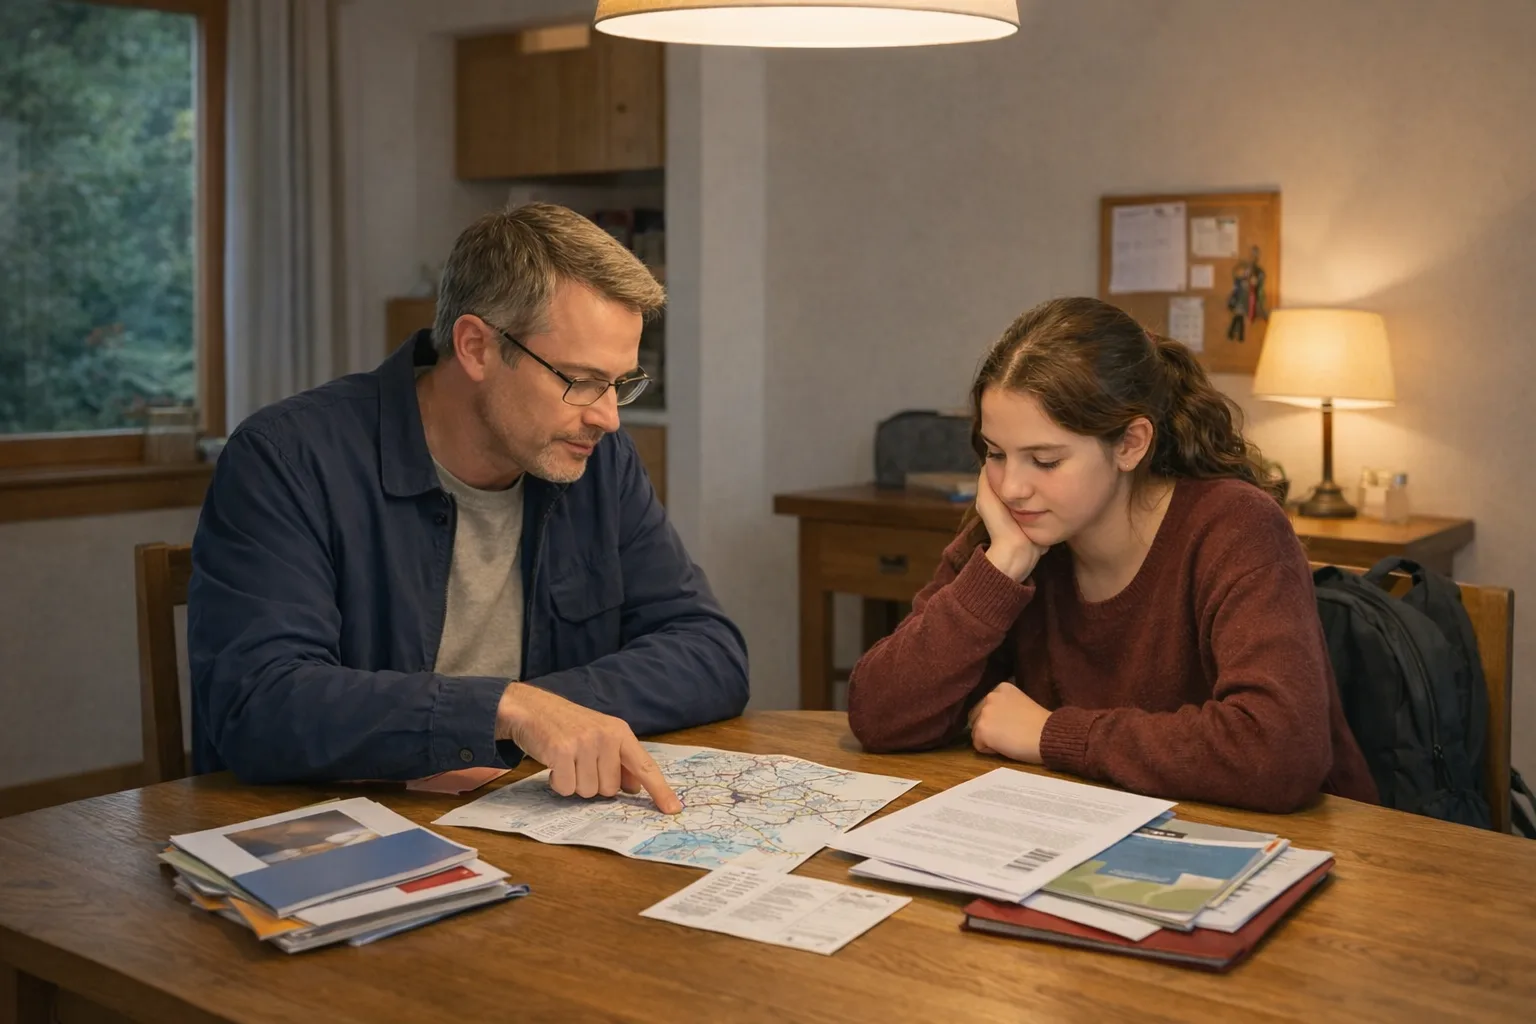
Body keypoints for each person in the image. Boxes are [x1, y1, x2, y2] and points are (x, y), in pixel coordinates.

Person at [188, 203, 750, 810]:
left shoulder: (598, 461)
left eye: (622, 384)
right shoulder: (287, 458)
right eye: (581, 380)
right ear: (477, 347)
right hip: (331, 836)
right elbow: (257, 702)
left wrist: (537, 715)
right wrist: (504, 710)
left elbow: (709, 650)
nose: (608, 417)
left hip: (518, 818)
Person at [846, 296, 1376, 813]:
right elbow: (879, 715)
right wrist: (1001, 568)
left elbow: (1279, 751)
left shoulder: (1236, 527)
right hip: (1087, 832)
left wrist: (1052, 733)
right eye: (996, 454)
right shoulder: (1012, 532)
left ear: (1130, 444)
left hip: (1307, 857)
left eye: (1045, 460)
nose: (1010, 487)